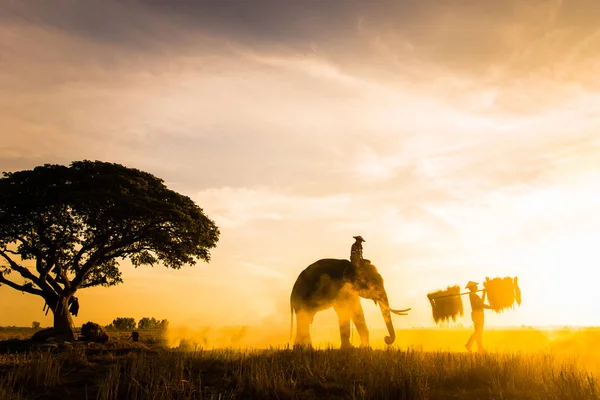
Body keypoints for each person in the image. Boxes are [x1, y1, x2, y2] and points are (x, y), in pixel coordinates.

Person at [464, 281, 490, 353]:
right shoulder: (474, 295)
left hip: (477, 314)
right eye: (475, 286)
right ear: (472, 288)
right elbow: (481, 304)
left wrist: (484, 293)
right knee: (478, 331)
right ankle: (469, 344)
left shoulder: (473, 295)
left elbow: (480, 303)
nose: (477, 287)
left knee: (479, 332)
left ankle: (480, 349)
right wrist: (490, 307)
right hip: (478, 314)